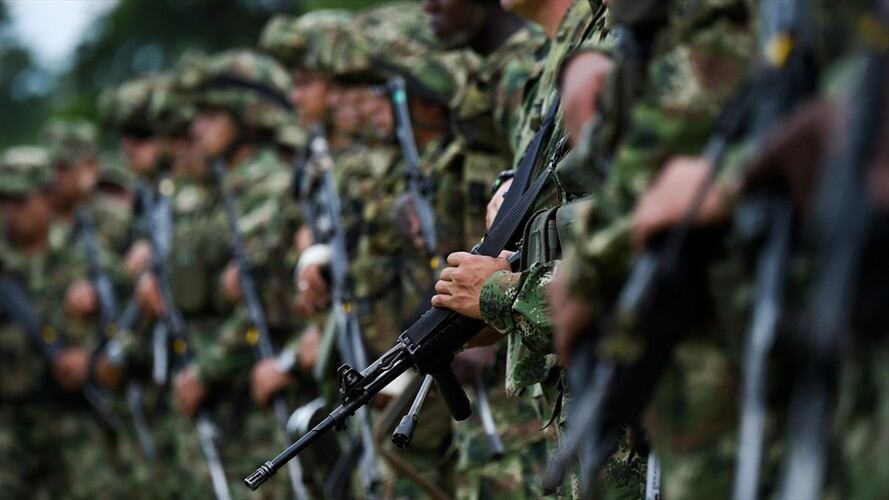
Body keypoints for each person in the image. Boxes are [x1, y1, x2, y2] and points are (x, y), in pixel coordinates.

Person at [0, 145, 126, 499]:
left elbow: (133, 323)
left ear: (46, 199)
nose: (11, 212)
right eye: (4, 201)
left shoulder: (88, 257)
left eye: (20, 200)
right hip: (10, 424)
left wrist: (93, 358)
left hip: (78, 418)